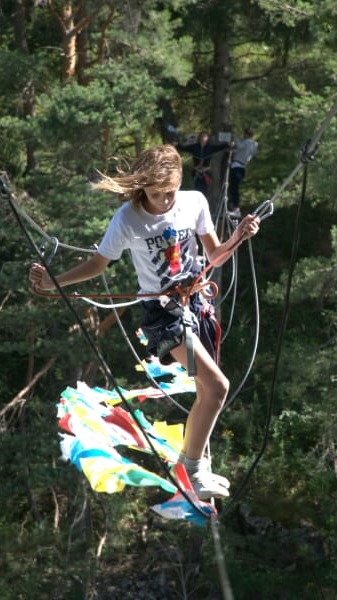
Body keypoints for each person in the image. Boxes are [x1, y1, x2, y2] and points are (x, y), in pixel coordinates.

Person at [30, 144, 261, 500]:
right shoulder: (128, 218)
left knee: (209, 392)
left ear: (179, 183)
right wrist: (52, 282)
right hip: (161, 316)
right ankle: (192, 469)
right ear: (142, 189)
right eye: (156, 194)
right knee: (216, 388)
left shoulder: (194, 203)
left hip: (197, 305)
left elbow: (215, 256)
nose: (165, 200)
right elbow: (96, 265)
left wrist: (237, 237)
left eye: (169, 192)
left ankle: (196, 465)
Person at [176, 131, 232, 198]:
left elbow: (219, 147)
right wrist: (176, 145)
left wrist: (228, 144)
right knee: (196, 190)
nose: (203, 138)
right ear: (199, 138)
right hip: (196, 171)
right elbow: (184, 148)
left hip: (206, 172)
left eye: (205, 136)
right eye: (202, 136)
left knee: (205, 190)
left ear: (207, 138)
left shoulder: (210, 147)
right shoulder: (194, 147)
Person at [227, 128, 259, 218]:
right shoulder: (254, 144)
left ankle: (236, 209)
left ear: (246, 134)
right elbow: (242, 151)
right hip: (241, 167)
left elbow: (240, 146)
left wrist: (234, 137)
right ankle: (233, 207)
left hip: (237, 166)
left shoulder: (248, 142)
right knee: (233, 187)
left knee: (234, 188)